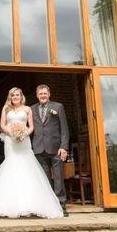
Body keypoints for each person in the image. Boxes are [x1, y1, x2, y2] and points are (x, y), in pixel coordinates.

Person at [0, 87, 63, 219]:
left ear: (21, 97)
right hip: (10, 142)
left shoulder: (27, 109)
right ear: (10, 97)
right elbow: (2, 125)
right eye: (13, 95)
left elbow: (32, 126)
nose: (15, 97)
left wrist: (23, 134)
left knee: (27, 168)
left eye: (17, 95)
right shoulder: (6, 109)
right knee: (12, 168)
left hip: (24, 141)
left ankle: (30, 204)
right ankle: (11, 205)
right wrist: (12, 134)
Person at [31, 84, 70, 216]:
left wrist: (64, 147)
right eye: (40, 93)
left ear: (49, 94)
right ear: (37, 95)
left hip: (56, 148)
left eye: (45, 93)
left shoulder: (57, 107)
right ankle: (47, 206)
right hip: (39, 148)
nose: (43, 95)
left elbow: (64, 129)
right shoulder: (32, 109)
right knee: (44, 179)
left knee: (58, 178)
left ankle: (61, 206)